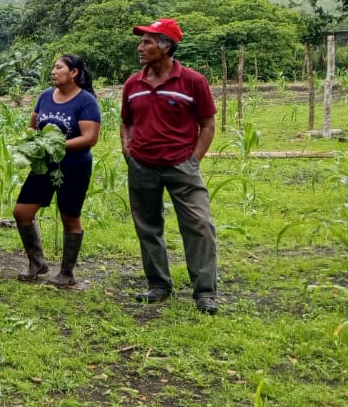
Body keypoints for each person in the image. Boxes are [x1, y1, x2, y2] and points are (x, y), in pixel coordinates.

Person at [120, 18, 219, 313]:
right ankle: (159, 285)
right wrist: (128, 149)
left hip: (181, 166)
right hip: (142, 166)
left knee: (199, 225)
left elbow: (208, 125)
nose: (140, 47)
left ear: (165, 47)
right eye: (141, 42)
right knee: (148, 226)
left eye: (147, 42)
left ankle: (204, 292)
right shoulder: (133, 84)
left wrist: (193, 160)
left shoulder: (193, 81)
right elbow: (126, 121)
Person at [13, 54, 102, 287]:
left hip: (74, 167)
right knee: (22, 212)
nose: (53, 71)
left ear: (73, 73)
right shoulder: (45, 96)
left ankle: (66, 273)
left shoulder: (86, 102)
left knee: (70, 218)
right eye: (53, 67)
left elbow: (90, 138)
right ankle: (37, 263)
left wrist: (56, 145)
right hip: (44, 165)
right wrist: (33, 141)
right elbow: (33, 126)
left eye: (59, 67)